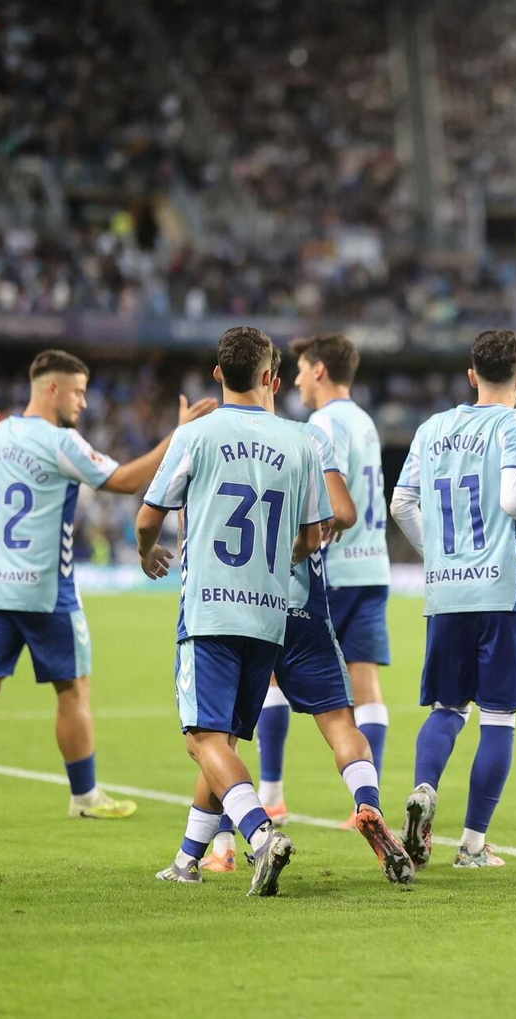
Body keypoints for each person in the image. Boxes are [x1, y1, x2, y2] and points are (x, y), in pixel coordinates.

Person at [0, 348, 216, 827]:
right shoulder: (59, 442)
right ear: (53, 388)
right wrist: (180, 435)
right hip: (46, 592)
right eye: (79, 392)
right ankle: (85, 795)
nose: (85, 404)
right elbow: (126, 480)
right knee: (72, 692)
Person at [185, 345, 412, 886]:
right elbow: (337, 516)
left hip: (243, 600)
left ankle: (241, 827)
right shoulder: (329, 431)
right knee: (344, 716)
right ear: (273, 377)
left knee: (214, 735)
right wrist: (304, 542)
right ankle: (368, 801)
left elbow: (159, 511)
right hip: (322, 592)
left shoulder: (237, 433)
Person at [136, 326, 332, 896]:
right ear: (272, 379)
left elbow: (149, 515)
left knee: (202, 739)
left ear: (218, 376)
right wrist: (276, 562)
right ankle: (187, 858)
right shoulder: (301, 442)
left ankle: (259, 833)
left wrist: (147, 553)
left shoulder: (196, 434)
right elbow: (316, 534)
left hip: (211, 610)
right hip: (269, 614)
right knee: (223, 742)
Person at [389, 330, 516, 870]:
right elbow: (514, 497)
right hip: (503, 590)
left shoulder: (432, 428)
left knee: (446, 708)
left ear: (471, 375)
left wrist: (436, 553)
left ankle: (422, 788)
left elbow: (402, 503)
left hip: (447, 591)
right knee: (500, 719)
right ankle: (473, 845)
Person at [291, 335, 393, 792]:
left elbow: (336, 500)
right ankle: (372, 794)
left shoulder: (324, 421)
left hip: (333, 570)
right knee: (367, 682)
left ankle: (271, 794)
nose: (295, 378)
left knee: (275, 675)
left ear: (319, 370)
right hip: (373, 566)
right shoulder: (366, 421)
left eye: (300, 368)